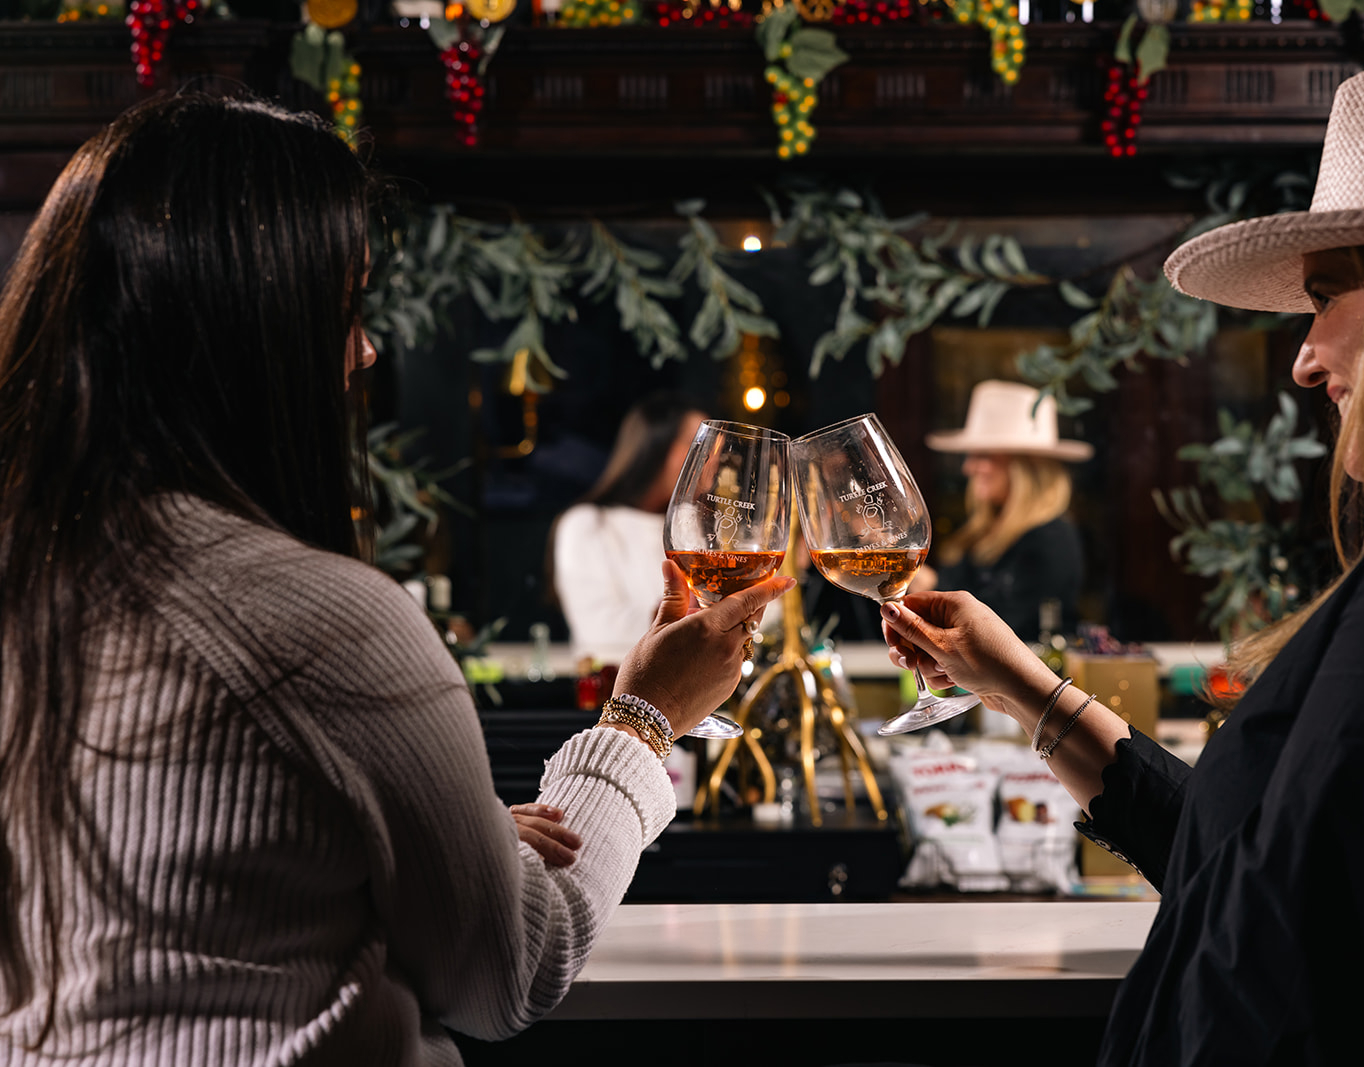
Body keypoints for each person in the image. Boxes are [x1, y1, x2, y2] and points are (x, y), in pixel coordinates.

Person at [0, 93, 791, 1062]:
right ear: (252, 339)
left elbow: (176, 897)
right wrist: (641, 723)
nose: (364, 349)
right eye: (343, 309)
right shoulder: (329, 627)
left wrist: (428, 840)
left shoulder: (31, 591)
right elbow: (514, 967)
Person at [880, 54, 1364, 1063]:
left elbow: (1274, 971)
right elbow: (1263, 872)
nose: (1304, 356)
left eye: (1329, 293)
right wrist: (1024, 689)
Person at [921, 379, 1092, 638]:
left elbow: (1007, 631)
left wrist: (926, 584)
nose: (968, 467)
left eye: (983, 455)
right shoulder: (985, 532)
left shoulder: (1052, 540)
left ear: (1024, 467)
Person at [552, 392, 706, 663]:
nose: (714, 458)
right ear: (657, 449)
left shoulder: (695, 524)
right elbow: (597, 629)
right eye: (700, 445)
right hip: (613, 697)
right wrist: (687, 612)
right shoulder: (587, 524)